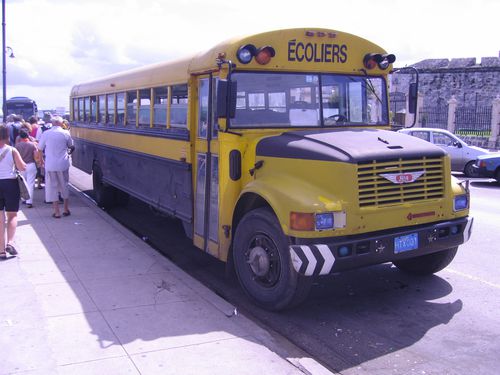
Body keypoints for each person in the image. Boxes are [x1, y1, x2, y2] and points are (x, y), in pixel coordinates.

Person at [37, 116, 73, 218]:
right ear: (61, 124)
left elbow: (39, 149)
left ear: (52, 123)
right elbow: (71, 146)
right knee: (64, 185)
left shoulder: (46, 134)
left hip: (50, 164)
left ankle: (56, 212)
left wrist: (41, 160)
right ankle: (66, 209)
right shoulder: (66, 133)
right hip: (63, 164)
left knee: (52, 187)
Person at [0, 124, 27, 259]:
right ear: (6, 135)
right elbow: (22, 167)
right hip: (10, 184)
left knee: (0, 218)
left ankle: (1, 250)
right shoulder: (12, 150)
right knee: (12, 215)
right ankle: (10, 242)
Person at [15, 129, 39, 208]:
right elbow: (36, 156)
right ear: (28, 135)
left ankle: (24, 199)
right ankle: (29, 201)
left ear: (20, 136)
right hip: (31, 165)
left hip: (21, 166)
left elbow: (15, 158)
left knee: (22, 184)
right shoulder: (32, 145)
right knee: (30, 184)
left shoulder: (17, 146)